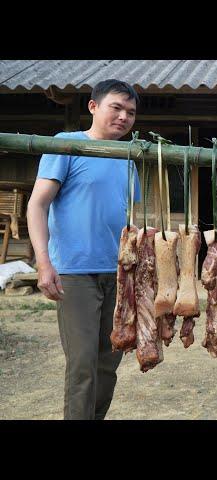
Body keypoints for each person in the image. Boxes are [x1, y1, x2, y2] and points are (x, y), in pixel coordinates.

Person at [26, 79, 141, 419]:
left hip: (118, 274)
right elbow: (37, 205)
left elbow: (128, 218)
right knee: (82, 365)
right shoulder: (67, 145)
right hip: (75, 273)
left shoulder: (128, 157)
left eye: (131, 112)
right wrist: (43, 263)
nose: (123, 117)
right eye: (116, 108)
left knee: (109, 364)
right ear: (93, 107)